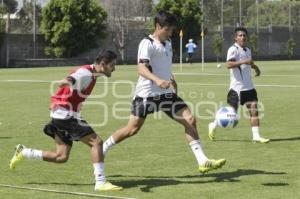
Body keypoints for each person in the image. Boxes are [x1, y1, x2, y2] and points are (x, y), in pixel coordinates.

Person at [102, 11, 226, 174]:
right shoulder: (147, 43)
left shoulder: (167, 44)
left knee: (190, 119)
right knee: (132, 129)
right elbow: (141, 68)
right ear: (158, 26)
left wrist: (170, 78)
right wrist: (157, 80)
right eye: (168, 29)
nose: (170, 33)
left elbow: (162, 66)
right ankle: (103, 148)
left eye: (172, 30)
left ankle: (202, 161)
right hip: (146, 95)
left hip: (165, 94)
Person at [9, 50, 123, 192]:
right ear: (103, 64)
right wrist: (66, 82)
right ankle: (100, 182)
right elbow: (73, 78)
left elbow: (73, 78)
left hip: (61, 114)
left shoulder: (92, 73)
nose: (115, 68)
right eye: (112, 65)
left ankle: (24, 152)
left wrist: (63, 99)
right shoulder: (86, 73)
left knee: (61, 156)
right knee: (97, 143)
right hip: (65, 116)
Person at [208, 27, 270, 144]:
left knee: (254, 110)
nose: (243, 37)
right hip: (237, 89)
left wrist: (256, 68)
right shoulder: (233, 49)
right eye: (240, 35)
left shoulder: (247, 50)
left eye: (244, 35)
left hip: (249, 87)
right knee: (231, 114)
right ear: (235, 38)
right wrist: (243, 62)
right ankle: (213, 124)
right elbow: (228, 64)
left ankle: (256, 136)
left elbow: (249, 63)